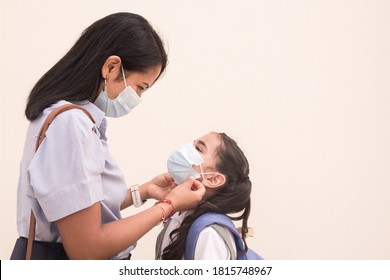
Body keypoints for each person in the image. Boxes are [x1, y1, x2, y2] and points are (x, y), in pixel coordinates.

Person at [10, 12, 205, 260]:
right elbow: (87, 249)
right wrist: (169, 206)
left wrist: (144, 191)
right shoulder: (71, 124)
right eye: (140, 87)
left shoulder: (75, 119)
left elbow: (76, 207)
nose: (138, 99)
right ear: (111, 67)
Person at [155, 132, 252, 260]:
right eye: (192, 144)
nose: (186, 149)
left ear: (213, 179)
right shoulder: (179, 215)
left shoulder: (209, 235)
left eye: (198, 149)